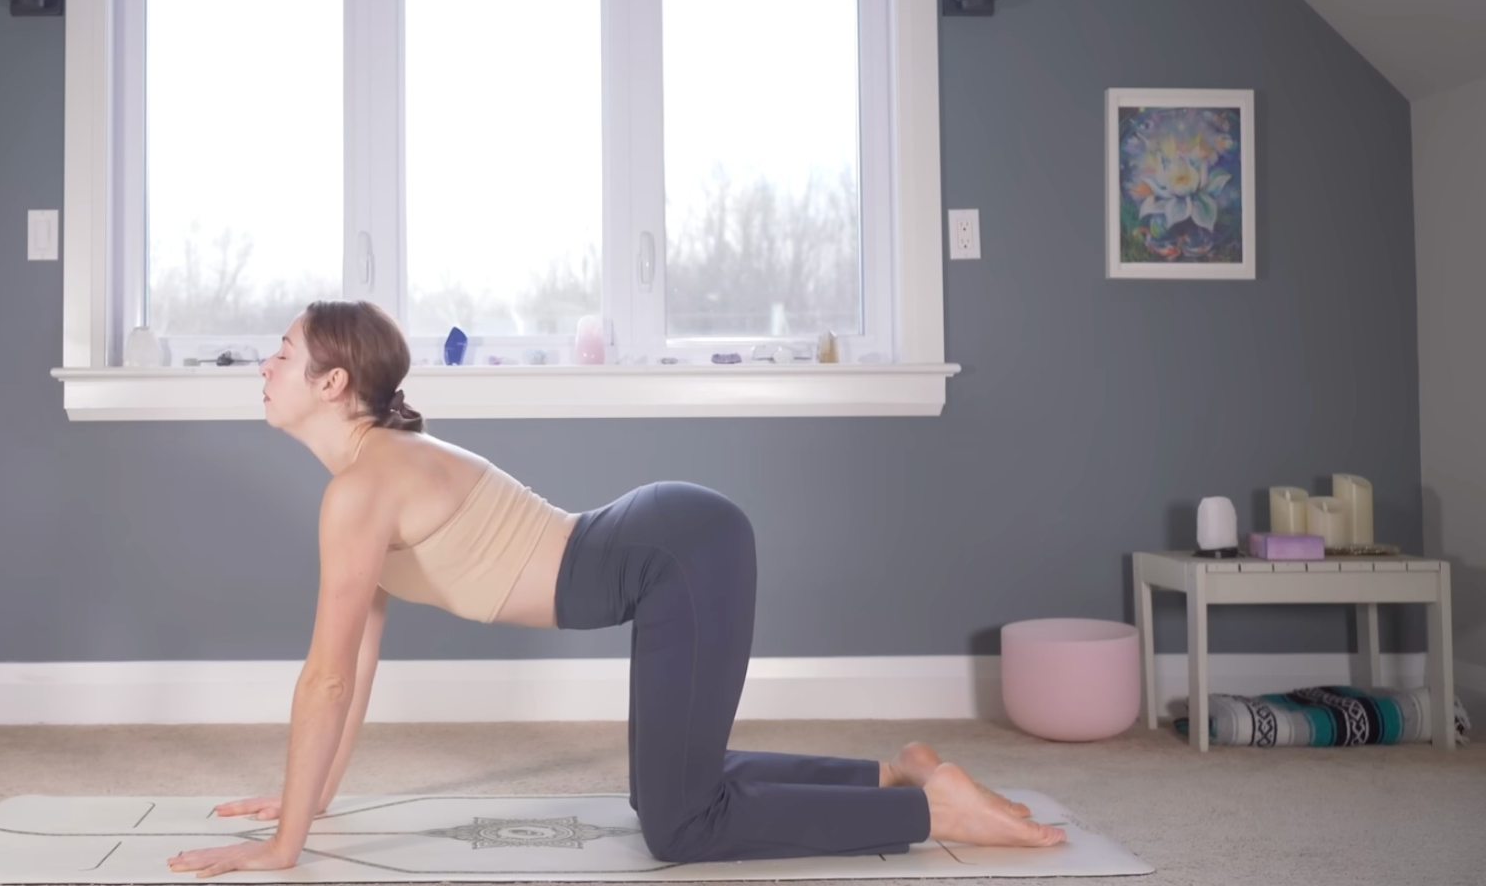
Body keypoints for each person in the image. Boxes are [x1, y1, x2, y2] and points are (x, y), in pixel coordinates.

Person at [170, 301, 1065, 878]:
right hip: (670, 544)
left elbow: (322, 677)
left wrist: (283, 849)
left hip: (675, 554)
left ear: (332, 383)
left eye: (278, 354)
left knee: (682, 828)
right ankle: (898, 772)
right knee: (667, 792)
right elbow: (354, 665)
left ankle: (928, 809)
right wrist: (310, 803)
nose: (264, 366)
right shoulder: (368, 479)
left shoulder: (362, 487)